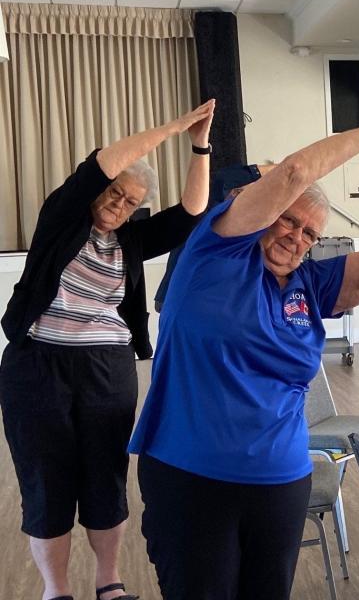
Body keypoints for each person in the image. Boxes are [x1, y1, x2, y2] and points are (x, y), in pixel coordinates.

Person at [128, 99, 359, 600]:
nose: (296, 237)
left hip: (280, 481)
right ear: (262, 211)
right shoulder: (213, 252)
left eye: (309, 233)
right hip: (191, 478)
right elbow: (294, 172)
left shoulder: (307, 284)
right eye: (288, 221)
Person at [0, 100, 216, 600]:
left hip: (106, 370)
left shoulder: (131, 241)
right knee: (46, 481)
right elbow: (103, 161)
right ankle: (56, 590)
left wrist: (199, 144)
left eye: (129, 200)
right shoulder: (61, 216)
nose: (118, 204)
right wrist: (175, 126)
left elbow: (191, 212)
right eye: (114, 191)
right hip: (37, 367)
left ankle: (108, 582)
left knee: (105, 477)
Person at [153, 162, 276, 311]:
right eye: (237, 192)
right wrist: (277, 170)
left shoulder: (253, 226)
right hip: (185, 300)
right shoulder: (208, 213)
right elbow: (218, 182)